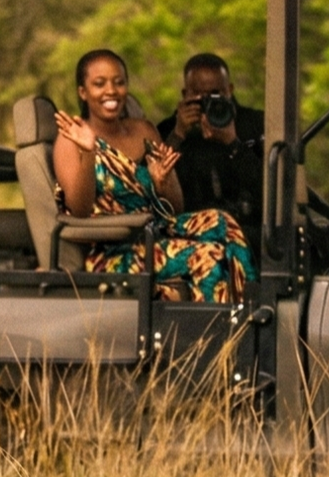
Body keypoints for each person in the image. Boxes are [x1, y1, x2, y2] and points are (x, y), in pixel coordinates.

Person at [54, 48, 252, 303]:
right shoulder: (71, 139)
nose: (111, 91)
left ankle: (254, 308)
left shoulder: (144, 130)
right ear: (83, 92)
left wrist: (163, 183)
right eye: (99, 84)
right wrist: (89, 152)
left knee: (223, 223)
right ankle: (215, 335)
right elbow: (78, 210)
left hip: (157, 232)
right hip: (114, 251)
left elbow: (175, 207)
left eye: (119, 82)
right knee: (208, 254)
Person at [155, 51, 266, 257]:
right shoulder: (169, 129)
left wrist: (233, 143)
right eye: (199, 96)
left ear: (230, 91)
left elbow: (271, 192)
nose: (208, 103)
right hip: (192, 236)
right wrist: (178, 135)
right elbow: (153, 185)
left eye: (216, 94)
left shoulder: (255, 124)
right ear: (185, 95)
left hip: (251, 233)